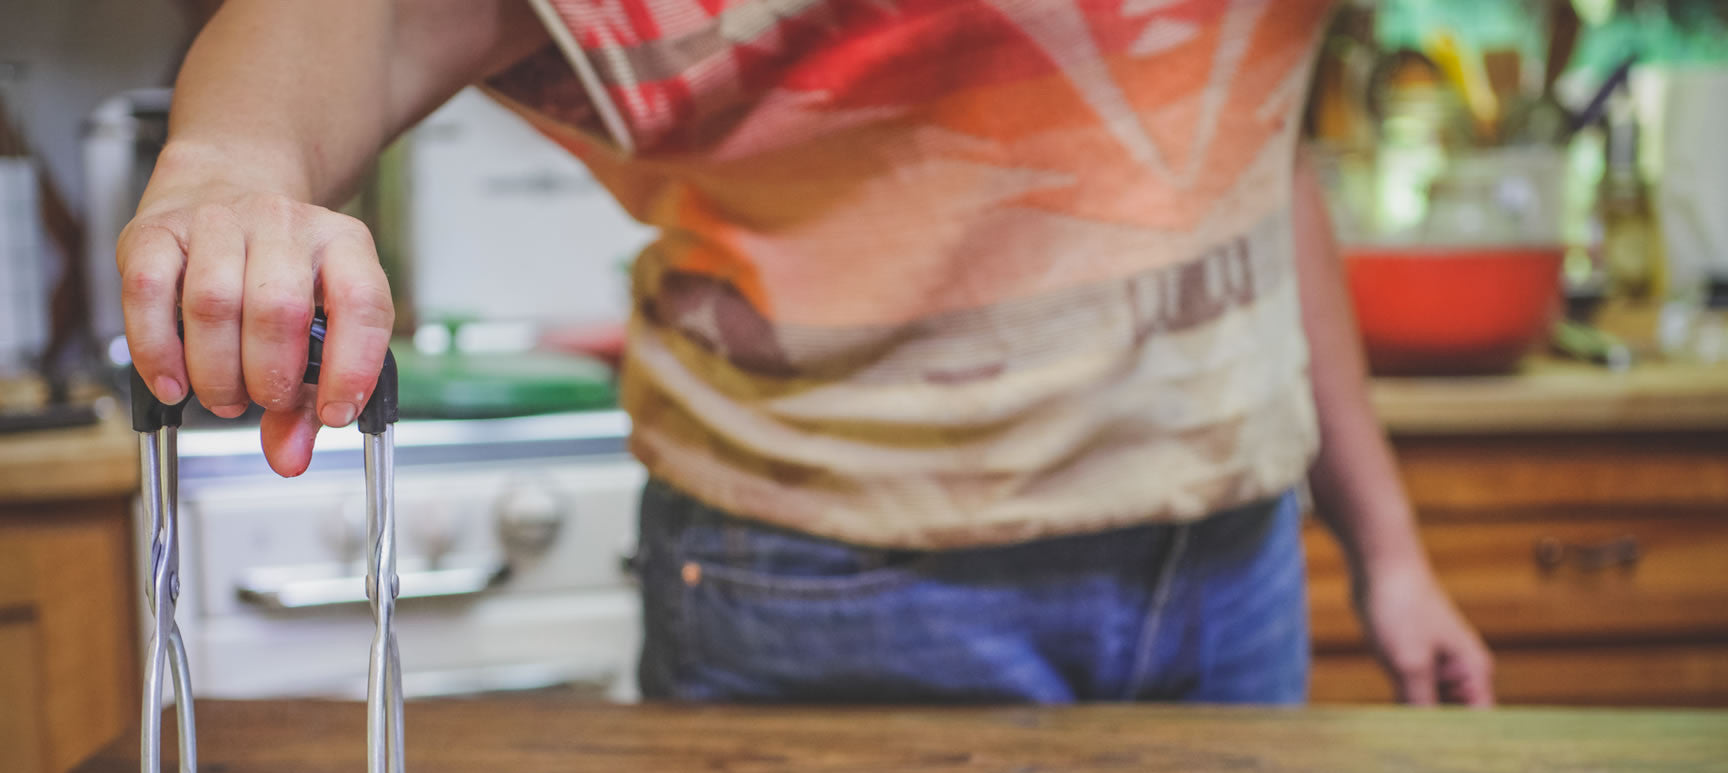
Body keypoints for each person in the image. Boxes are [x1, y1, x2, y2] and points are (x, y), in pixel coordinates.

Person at [119, 0, 1494, 706]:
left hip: (1232, 562)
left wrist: (1389, 548)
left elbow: (1240, 161)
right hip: (833, 578)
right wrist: (233, 164)